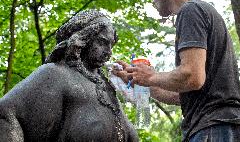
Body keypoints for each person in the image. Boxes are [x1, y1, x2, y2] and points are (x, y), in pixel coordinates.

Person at [113, 0, 240, 142]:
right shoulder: (204, 11)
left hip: (212, 127)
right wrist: (142, 82)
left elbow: (193, 76)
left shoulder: (190, 10)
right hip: (227, 126)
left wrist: (151, 75)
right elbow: (184, 93)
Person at [0, 9, 138, 142]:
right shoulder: (55, 74)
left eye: (111, 45)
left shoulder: (106, 87)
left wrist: (144, 90)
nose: (109, 52)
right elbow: (5, 112)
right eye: (102, 42)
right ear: (84, 38)